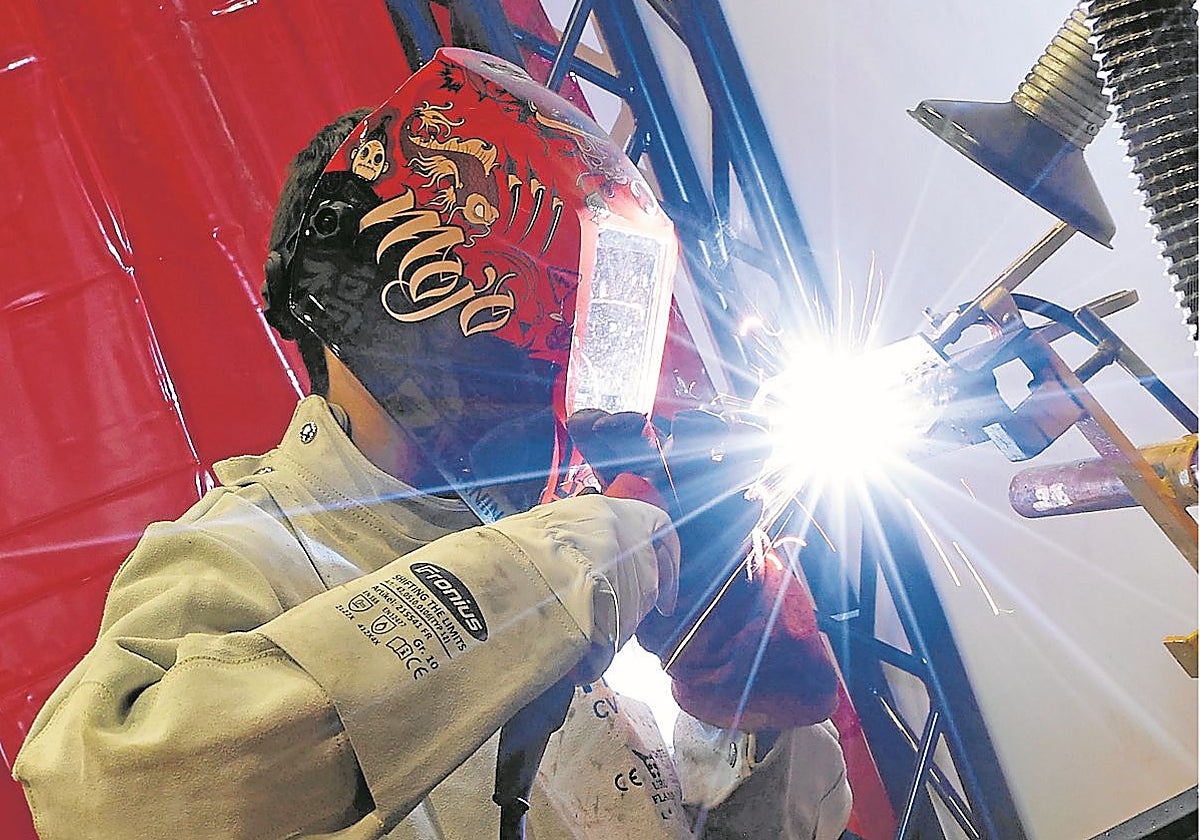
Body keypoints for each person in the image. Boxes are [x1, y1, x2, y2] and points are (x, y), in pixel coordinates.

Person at [13, 48, 851, 839]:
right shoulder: (246, 550)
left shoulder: (607, 549)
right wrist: (552, 569)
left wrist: (740, 714)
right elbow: (105, 800)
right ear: (396, 273)